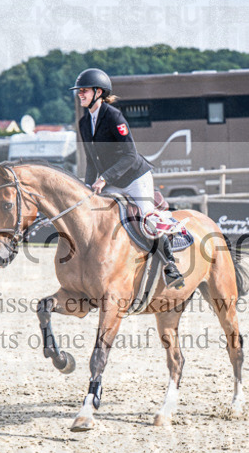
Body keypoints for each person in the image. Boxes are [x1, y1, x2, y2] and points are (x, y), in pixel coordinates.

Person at [70, 68, 185, 289]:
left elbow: (130, 155)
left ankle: (171, 267)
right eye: (79, 91)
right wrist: (87, 187)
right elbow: (91, 160)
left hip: (135, 178)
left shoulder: (114, 116)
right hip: (112, 181)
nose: (80, 94)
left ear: (98, 92)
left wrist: (104, 178)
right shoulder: (84, 123)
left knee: (147, 220)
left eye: (84, 90)